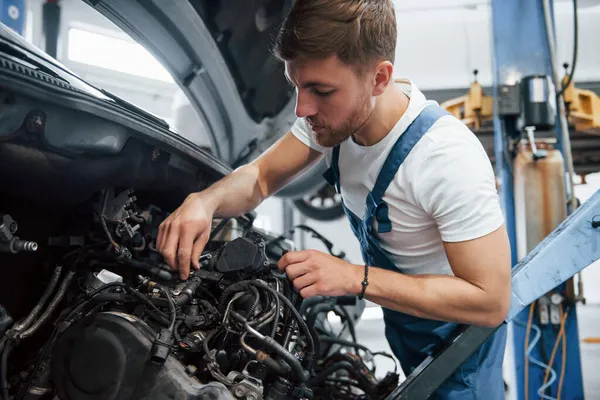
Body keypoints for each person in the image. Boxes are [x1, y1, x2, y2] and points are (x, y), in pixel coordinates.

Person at [156, 0, 511, 398]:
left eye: (321, 91)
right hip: (410, 331)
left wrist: (353, 277)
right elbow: (259, 177)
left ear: (379, 78)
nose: (303, 108)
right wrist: (205, 201)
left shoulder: (444, 158)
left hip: (461, 356)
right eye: (297, 87)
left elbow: (490, 301)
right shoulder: (332, 121)